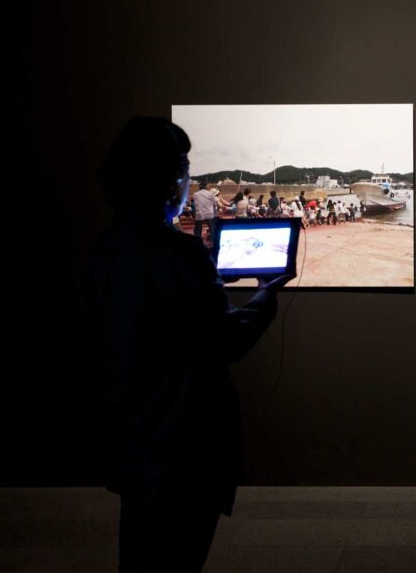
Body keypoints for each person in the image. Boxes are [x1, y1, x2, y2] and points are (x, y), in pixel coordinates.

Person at [88, 116, 294, 573]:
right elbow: (226, 340)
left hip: (131, 433)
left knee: (140, 553)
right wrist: (265, 296)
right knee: (179, 555)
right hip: (185, 439)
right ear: (169, 177)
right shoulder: (178, 254)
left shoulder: (106, 247)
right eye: (183, 166)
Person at [191, 181, 225, 247]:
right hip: (210, 214)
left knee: (198, 228)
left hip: (199, 215)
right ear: (206, 187)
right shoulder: (210, 194)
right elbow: (214, 203)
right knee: (212, 228)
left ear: (199, 187)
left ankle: (197, 243)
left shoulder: (195, 194)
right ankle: (212, 243)